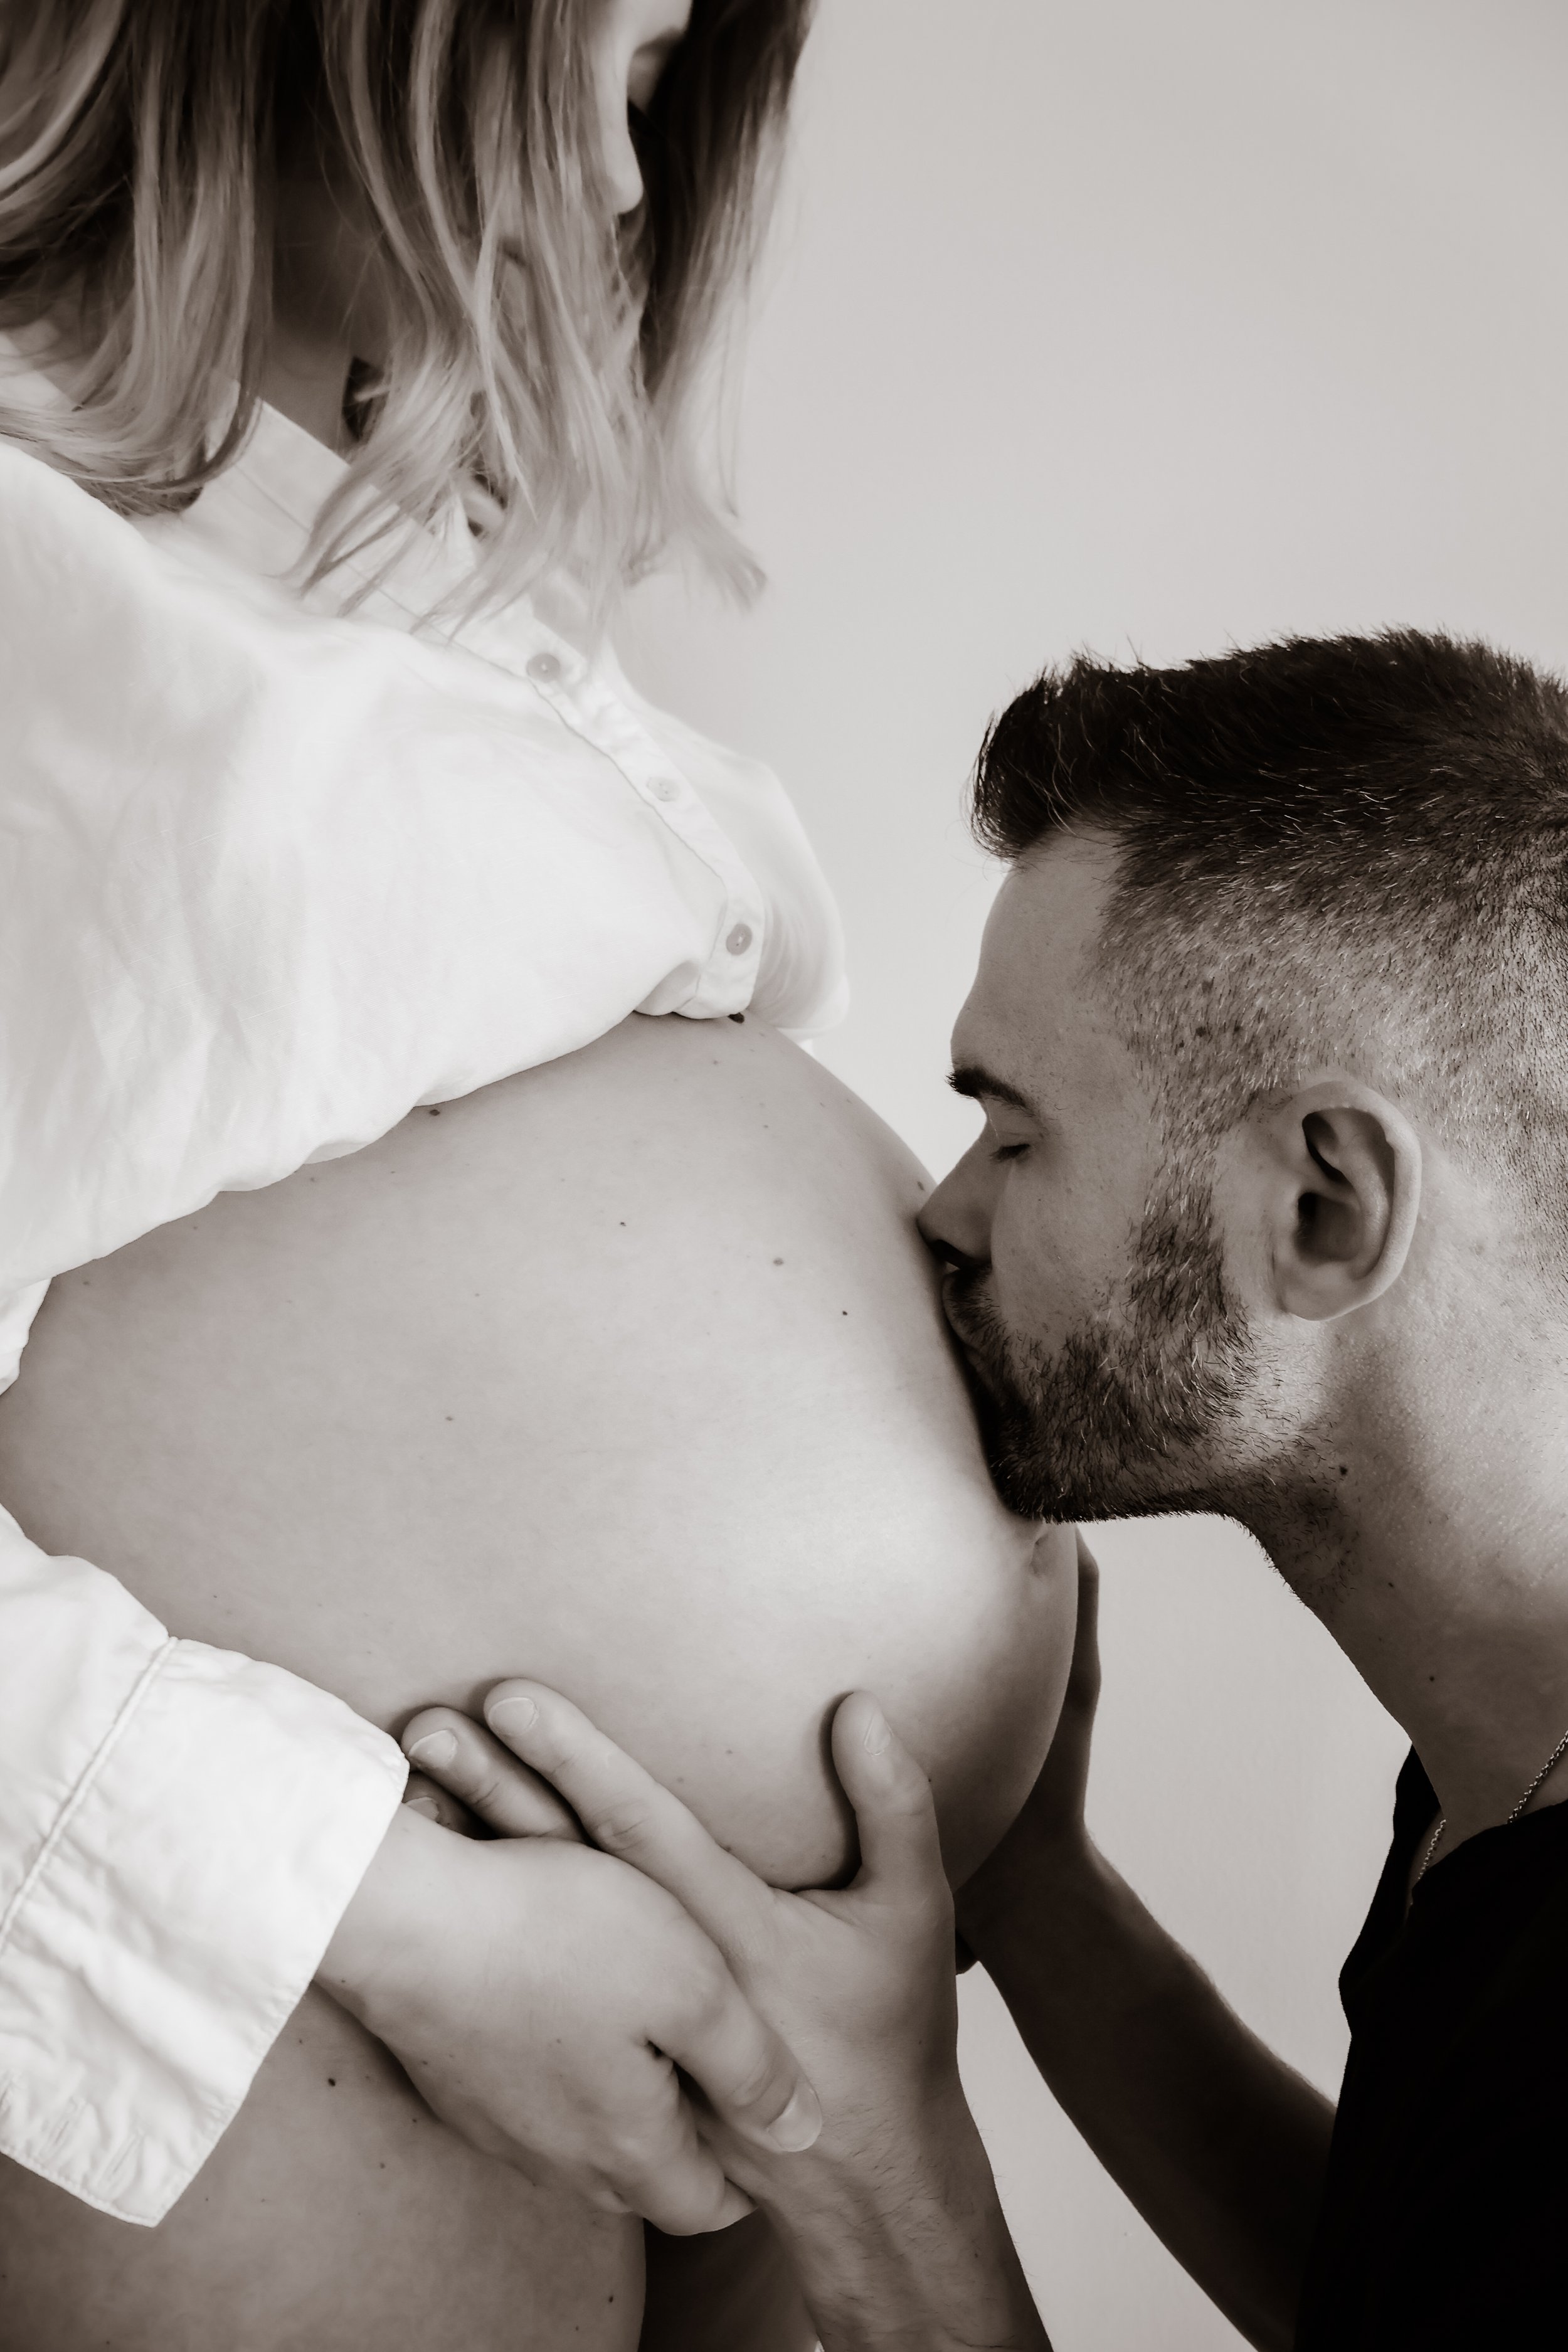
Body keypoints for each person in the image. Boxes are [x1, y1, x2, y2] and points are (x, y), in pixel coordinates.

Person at [0, 4, 1072, 2346]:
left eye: (665, 86)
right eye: (584, 67)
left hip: (738, 1994)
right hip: (285, 2012)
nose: (619, 179)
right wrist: (393, 1918)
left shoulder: (431, 561)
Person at [418, 629, 1568, 2348]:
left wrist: (881, 2161)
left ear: (1323, 1208)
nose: (945, 1214)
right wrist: (1041, 1898)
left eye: (1017, 1135)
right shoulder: (1504, 1767)